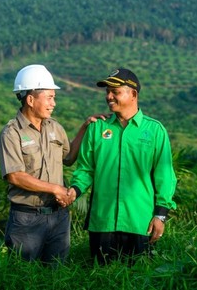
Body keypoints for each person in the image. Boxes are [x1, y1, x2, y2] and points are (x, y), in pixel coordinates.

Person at [67, 68, 177, 265]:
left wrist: (160, 215)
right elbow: (85, 169)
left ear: (133, 94)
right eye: (107, 91)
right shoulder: (97, 128)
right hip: (102, 222)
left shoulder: (154, 131)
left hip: (140, 223)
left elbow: (165, 176)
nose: (109, 96)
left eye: (115, 92)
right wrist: (74, 190)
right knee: (101, 279)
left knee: (138, 280)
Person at [0, 64, 104, 264]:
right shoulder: (12, 133)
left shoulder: (55, 127)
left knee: (56, 275)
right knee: (24, 277)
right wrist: (55, 188)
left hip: (58, 217)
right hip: (27, 219)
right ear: (30, 99)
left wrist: (85, 127)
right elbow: (15, 175)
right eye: (50, 97)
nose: (53, 103)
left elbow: (69, 157)